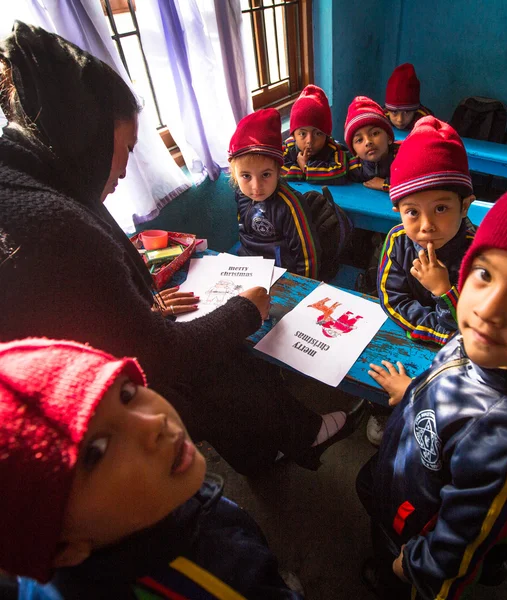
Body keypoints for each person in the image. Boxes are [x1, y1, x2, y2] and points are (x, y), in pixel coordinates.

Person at [0, 22, 363, 476]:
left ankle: (263, 452)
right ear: (89, 138)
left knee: (228, 362)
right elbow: (161, 356)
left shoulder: (31, 178)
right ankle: (293, 436)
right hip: (80, 430)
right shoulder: (54, 224)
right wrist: (244, 310)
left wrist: (136, 313)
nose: (127, 172)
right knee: (224, 363)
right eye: (127, 148)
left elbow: (83, 321)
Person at [357, 158, 507, 599]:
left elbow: (455, 551)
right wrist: (412, 392)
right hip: (408, 483)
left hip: (417, 541)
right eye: (484, 274)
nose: (487, 309)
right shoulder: (486, 344)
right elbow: (445, 371)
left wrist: (412, 567)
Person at [0, 337, 304, 599]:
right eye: (96, 451)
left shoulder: (155, 495)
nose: (154, 423)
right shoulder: (214, 585)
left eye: (126, 394)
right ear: (64, 550)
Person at [366, 117, 475, 447]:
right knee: (378, 363)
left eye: (441, 208)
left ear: (465, 205)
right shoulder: (398, 240)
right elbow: (391, 296)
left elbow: (473, 323)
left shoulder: (477, 253)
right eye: (412, 211)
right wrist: (432, 328)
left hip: (461, 351)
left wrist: (443, 290)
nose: (426, 225)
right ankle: (381, 408)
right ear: (398, 209)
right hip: (409, 331)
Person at [230, 108, 322, 278]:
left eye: (266, 175)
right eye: (246, 176)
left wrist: (305, 290)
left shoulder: (290, 204)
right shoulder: (242, 194)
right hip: (250, 269)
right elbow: (244, 233)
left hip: (283, 276)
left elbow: (308, 256)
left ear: (279, 171)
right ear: (234, 174)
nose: (256, 187)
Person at [281, 84, 347, 184]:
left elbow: (340, 172)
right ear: (293, 135)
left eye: (318, 134)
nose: (310, 141)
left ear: (327, 135)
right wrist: (304, 172)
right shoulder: (288, 147)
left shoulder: (333, 149)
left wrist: (305, 167)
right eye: (303, 134)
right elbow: (276, 169)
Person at [345, 96, 398, 192]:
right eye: (359, 140)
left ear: (389, 138)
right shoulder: (354, 166)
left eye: (375, 133)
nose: (368, 142)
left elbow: (416, 183)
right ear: (354, 151)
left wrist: (385, 184)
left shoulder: (401, 157)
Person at [384, 63, 433, 131]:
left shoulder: (424, 119)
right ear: (388, 110)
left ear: (415, 110)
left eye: (406, 112)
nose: (400, 119)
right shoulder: (382, 116)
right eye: (394, 112)